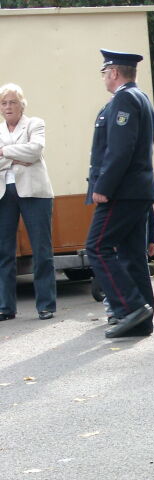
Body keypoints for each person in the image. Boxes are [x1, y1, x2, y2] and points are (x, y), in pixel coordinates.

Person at [85, 49, 154, 338]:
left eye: (105, 72)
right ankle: (141, 321)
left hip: (123, 191)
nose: (104, 77)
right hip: (137, 190)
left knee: (97, 246)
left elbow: (120, 149)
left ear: (114, 72)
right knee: (131, 254)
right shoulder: (139, 97)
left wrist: (102, 188)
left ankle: (130, 307)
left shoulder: (125, 98)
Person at [0, 83, 56, 321]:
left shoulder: (36, 123)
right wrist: (18, 157)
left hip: (35, 192)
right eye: (4, 103)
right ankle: (5, 307)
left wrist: (4, 153)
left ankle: (46, 305)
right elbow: (28, 155)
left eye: (13, 102)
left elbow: (35, 151)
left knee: (42, 250)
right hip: (4, 194)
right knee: (4, 252)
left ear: (22, 105)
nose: (8, 107)